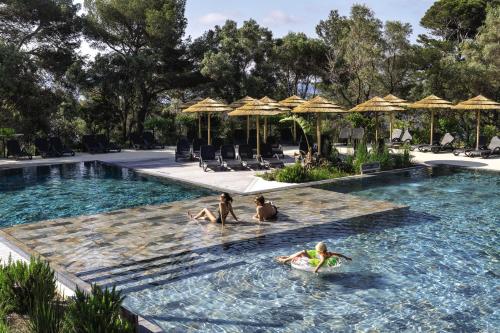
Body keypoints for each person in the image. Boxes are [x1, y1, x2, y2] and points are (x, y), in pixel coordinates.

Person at [276, 242, 352, 273]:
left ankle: (286, 259)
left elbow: (321, 262)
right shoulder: (329, 253)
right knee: (303, 252)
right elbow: (338, 254)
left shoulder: (322, 256)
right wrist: (346, 258)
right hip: (314, 259)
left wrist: (315, 270)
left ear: (319, 251)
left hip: (311, 261)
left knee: (303, 252)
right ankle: (288, 257)